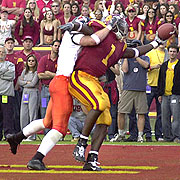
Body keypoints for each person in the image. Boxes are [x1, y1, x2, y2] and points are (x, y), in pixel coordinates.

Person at [6, 16, 117, 170]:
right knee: (60, 128)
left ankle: (16, 137)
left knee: (47, 122)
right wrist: (110, 26)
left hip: (58, 82)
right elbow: (94, 40)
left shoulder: (70, 36)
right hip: (63, 83)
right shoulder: (74, 35)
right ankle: (36, 158)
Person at [67, 14, 166, 171]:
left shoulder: (119, 46)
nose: (125, 28)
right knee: (101, 103)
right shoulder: (102, 30)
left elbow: (135, 52)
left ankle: (92, 159)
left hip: (95, 82)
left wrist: (155, 43)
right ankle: (81, 143)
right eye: (122, 24)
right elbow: (86, 29)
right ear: (114, 25)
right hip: (80, 76)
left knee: (106, 120)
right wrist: (74, 26)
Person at [110, 40, 150, 143]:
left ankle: (140, 135)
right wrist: (128, 56)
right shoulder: (126, 59)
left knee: (141, 113)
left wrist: (136, 55)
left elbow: (146, 65)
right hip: (128, 88)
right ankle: (121, 133)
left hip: (140, 89)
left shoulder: (145, 57)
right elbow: (125, 70)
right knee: (121, 111)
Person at [158, 43, 180, 142]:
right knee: (164, 117)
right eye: (170, 51)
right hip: (165, 95)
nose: (172, 53)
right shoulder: (164, 65)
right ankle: (167, 137)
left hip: (175, 95)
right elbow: (160, 80)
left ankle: (176, 136)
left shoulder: (179, 65)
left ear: (177, 53)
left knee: (176, 117)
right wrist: (159, 94)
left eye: (174, 51)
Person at [4, 37, 24, 134]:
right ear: (5, 45)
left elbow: (19, 74)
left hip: (13, 88)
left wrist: (16, 87)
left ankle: (15, 130)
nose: (10, 44)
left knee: (14, 111)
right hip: (3, 89)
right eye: (8, 43)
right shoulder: (2, 58)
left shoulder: (18, 58)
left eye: (12, 43)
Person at [18, 54, 39, 141]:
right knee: (23, 114)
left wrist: (25, 82)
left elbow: (33, 83)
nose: (30, 62)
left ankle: (32, 136)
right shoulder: (24, 71)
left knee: (32, 114)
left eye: (32, 61)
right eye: (29, 60)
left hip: (33, 93)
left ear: (35, 62)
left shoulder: (36, 72)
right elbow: (19, 81)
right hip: (25, 93)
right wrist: (27, 82)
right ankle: (24, 134)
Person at [0, 46, 16, 140]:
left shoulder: (10, 65)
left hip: (6, 93)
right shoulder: (7, 67)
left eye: (2, 52)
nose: (1, 53)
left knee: (7, 116)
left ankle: (8, 134)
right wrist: (4, 72)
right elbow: (7, 74)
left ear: (5, 54)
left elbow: (11, 75)